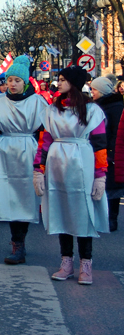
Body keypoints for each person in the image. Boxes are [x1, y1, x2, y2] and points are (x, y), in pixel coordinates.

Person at [38, 67, 108, 285]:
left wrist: (100, 175)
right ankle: (66, 261)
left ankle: (86, 263)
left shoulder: (92, 110)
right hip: (57, 164)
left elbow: (100, 145)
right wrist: (37, 170)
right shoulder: (52, 110)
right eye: (58, 79)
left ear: (74, 83)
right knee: (61, 211)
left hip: (82, 162)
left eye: (62, 80)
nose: (58, 83)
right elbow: (45, 141)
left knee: (82, 211)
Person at [0, 56, 48, 264]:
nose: (12, 84)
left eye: (17, 80)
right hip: (6, 151)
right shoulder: (0, 101)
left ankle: (20, 243)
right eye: (9, 80)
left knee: (25, 197)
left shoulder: (37, 102)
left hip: (27, 150)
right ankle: (16, 242)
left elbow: (46, 130)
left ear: (24, 82)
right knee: (9, 197)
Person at [90, 76, 123, 231]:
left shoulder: (115, 107)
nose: (92, 92)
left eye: (94, 89)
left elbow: (117, 132)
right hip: (100, 149)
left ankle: (112, 219)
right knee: (103, 184)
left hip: (110, 152)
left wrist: (111, 152)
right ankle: (103, 217)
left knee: (112, 187)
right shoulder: (98, 105)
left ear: (102, 90)